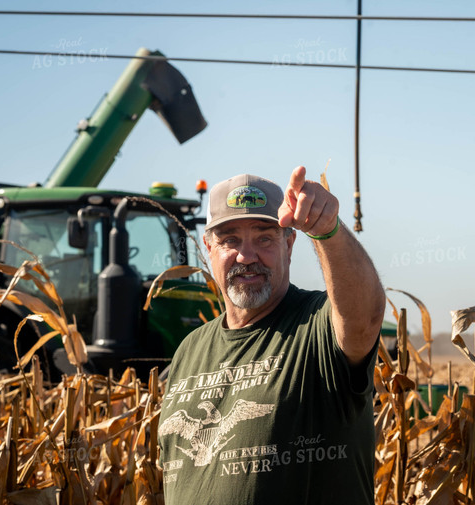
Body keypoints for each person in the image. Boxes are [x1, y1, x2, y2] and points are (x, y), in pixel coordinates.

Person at [158, 167, 385, 505]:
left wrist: (328, 232)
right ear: (208, 248)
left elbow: (363, 320)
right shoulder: (190, 349)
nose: (247, 257)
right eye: (230, 240)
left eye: (264, 238)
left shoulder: (317, 326)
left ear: (289, 244)